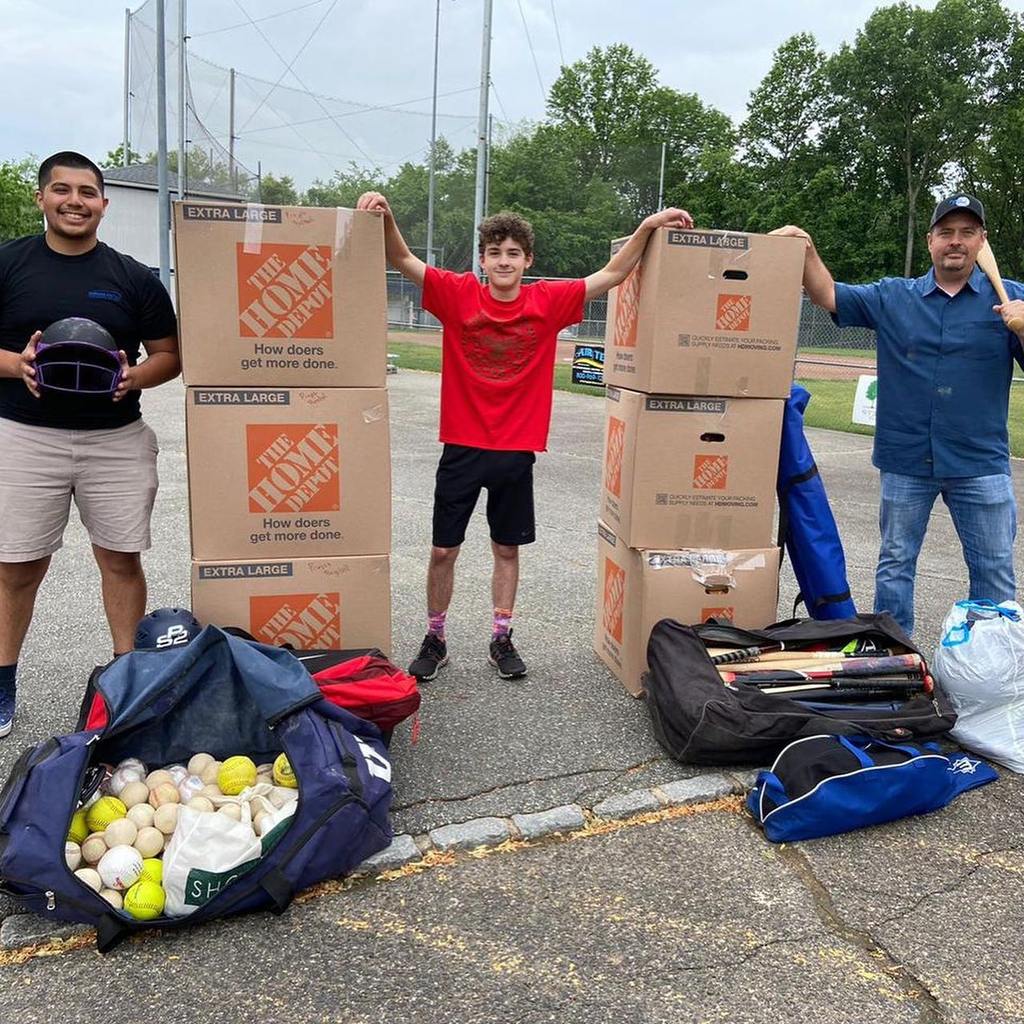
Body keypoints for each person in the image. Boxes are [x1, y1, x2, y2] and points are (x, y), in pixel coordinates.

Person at [357, 192, 692, 680]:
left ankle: (501, 636)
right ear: (483, 260)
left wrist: (647, 225)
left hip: (515, 451)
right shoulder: (458, 294)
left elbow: (613, 274)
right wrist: (386, 215)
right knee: (442, 550)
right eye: (495, 252)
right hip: (463, 447)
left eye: (513, 253)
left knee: (506, 549)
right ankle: (435, 635)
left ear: (527, 260)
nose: (504, 261)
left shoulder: (548, 301)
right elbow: (402, 258)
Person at [772, 195, 1024, 636]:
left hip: (979, 463)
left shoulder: (1013, 299)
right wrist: (808, 251)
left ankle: (988, 668)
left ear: (981, 240)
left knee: (994, 574)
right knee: (895, 567)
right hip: (906, 460)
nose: (956, 242)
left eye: (967, 233)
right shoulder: (894, 297)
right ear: (930, 242)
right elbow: (828, 294)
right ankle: (896, 661)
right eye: (946, 232)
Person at [0, 151, 180, 737]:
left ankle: (127, 683)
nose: (74, 200)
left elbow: (170, 355)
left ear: (103, 202)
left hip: (115, 440)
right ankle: (2, 684)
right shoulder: (9, 263)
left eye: (87, 192)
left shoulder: (131, 276)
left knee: (121, 559)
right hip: (26, 435)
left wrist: (134, 377)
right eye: (61, 190)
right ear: (42, 198)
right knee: (17, 568)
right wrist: (15, 363)